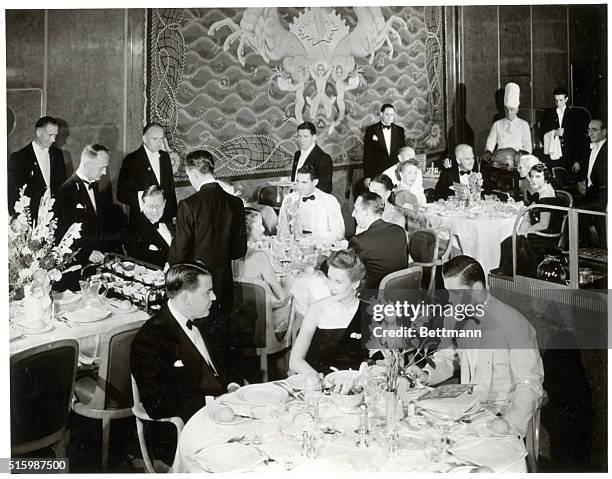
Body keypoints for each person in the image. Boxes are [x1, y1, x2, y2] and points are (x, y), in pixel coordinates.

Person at [406, 255, 544, 438]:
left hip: (501, 414)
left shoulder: (514, 323)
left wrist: (509, 422)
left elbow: (530, 384)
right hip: (466, 410)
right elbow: (448, 359)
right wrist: (426, 374)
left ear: (477, 289)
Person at [131, 262, 243, 423]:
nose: (214, 297)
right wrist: (214, 402)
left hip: (228, 410)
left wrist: (233, 386)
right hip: (191, 423)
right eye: (208, 292)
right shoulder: (150, 339)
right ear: (186, 297)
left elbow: (230, 361)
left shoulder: (206, 317)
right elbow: (157, 403)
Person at [168, 150, 247, 318]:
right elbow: (239, 251)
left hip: (196, 289)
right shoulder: (236, 202)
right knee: (221, 338)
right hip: (225, 286)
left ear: (194, 173)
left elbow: (179, 255)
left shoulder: (188, 205)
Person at [289, 249, 369, 375]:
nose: (331, 287)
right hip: (320, 383)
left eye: (338, 282)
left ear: (355, 283)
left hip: (356, 385)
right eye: (329, 278)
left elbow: (381, 360)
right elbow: (295, 361)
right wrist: (323, 382)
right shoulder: (316, 309)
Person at [233, 210, 291, 379]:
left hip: (237, 328)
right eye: (259, 226)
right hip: (263, 331)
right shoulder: (259, 257)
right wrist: (289, 282)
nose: (264, 230)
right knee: (299, 310)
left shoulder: (228, 257)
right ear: (248, 230)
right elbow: (282, 298)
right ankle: (286, 368)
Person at [54, 144, 120, 269]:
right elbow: (61, 233)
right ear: (87, 164)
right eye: (102, 167)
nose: (105, 172)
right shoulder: (66, 190)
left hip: (94, 264)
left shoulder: (95, 185)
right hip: (75, 266)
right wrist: (86, 253)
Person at [499, 163, 562, 277]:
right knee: (509, 242)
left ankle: (513, 277)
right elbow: (529, 208)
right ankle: (509, 277)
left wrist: (525, 232)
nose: (533, 180)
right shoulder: (541, 190)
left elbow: (544, 224)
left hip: (546, 236)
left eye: (538, 177)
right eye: (532, 176)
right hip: (538, 231)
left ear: (546, 178)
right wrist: (527, 219)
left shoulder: (547, 196)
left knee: (510, 243)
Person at [8, 116, 66, 220]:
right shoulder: (19, 157)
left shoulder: (58, 155)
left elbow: (63, 186)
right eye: (50, 135)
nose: (53, 139)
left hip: (54, 216)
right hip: (31, 217)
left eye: (55, 135)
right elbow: (13, 194)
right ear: (38, 132)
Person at [117, 122, 177, 221]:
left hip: (164, 218)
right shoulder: (132, 160)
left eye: (161, 139)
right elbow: (122, 194)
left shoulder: (165, 157)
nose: (159, 143)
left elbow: (170, 187)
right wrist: (146, 198)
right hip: (142, 219)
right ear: (144, 139)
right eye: (155, 139)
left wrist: (174, 214)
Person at [350, 192, 408, 290]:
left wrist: (322, 261)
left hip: (372, 296)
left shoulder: (359, 241)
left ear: (366, 212)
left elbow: (347, 273)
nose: (353, 214)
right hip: (400, 292)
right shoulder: (399, 231)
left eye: (356, 210)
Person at [279, 164, 344, 243]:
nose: (299, 187)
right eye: (298, 181)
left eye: (304, 182)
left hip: (321, 246)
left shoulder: (329, 201)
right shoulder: (290, 199)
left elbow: (339, 233)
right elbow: (281, 227)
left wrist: (309, 237)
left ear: (315, 182)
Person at [539, 86, 589, 173]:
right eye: (556, 100)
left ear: (566, 99)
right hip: (553, 156)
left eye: (561, 100)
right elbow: (541, 133)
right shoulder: (548, 114)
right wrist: (554, 133)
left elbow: (579, 138)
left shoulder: (575, 114)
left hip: (570, 157)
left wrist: (578, 161)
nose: (558, 103)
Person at [125, 185, 174, 268]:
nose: (155, 211)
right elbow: (137, 262)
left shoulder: (167, 220)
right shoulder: (134, 228)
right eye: (151, 206)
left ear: (165, 203)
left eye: (159, 206)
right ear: (143, 204)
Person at [484, 83, 532, 159]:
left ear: (517, 110)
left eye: (511, 109)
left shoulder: (524, 125)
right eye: (506, 109)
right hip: (500, 160)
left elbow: (528, 148)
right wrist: (488, 152)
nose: (509, 112)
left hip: (518, 160)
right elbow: (490, 143)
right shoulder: (497, 124)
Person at [362, 103, 406, 185]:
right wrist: (367, 176)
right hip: (377, 173)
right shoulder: (371, 130)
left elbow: (403, 152)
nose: (390, 117)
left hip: (395, 173)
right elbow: (367, 155)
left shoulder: (400, 130)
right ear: (381, 114)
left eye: (392, 115)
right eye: (387, 114)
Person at [290, 122, 333, 194]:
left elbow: (326, 188)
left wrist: (301, 187)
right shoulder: (297, 154)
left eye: (305, 136)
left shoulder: (324, 158)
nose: (301, 140)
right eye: (299, 136)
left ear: (314, 137)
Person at [576, 119, 607, 212]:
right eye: (589, 130)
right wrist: (583, 181)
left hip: (603, 198)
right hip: (589, 194)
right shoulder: (589, 148)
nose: (590, 133)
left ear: (604, 132)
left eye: (594, 130)